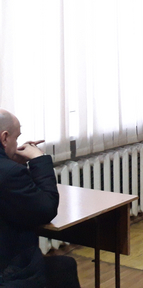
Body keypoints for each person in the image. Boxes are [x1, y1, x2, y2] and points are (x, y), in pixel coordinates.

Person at [0, 109, 81, 288]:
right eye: (16, 138)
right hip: (9, 270)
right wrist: (39, 159)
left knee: (65, 265)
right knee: (63, 268)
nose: (17, 143)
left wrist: (11, 160)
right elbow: (46, 209)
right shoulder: (10, 173)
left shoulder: (8, 170)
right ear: (4, 138)